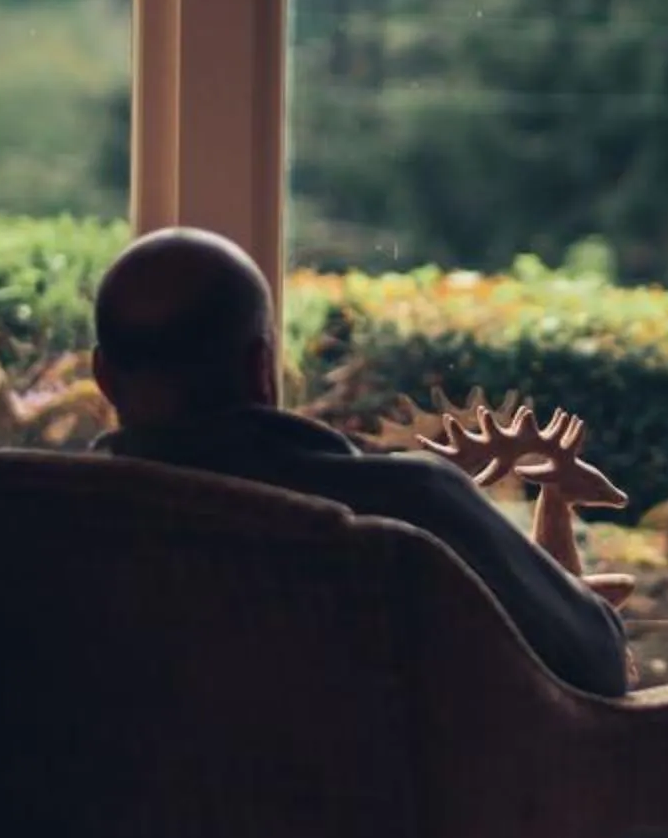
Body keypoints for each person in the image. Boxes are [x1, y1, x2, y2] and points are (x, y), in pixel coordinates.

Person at [92, 227, 630, 698]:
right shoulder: (410, 504)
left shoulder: (34, 520)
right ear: (262, 366)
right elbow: (595, 663)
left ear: (104, 378)